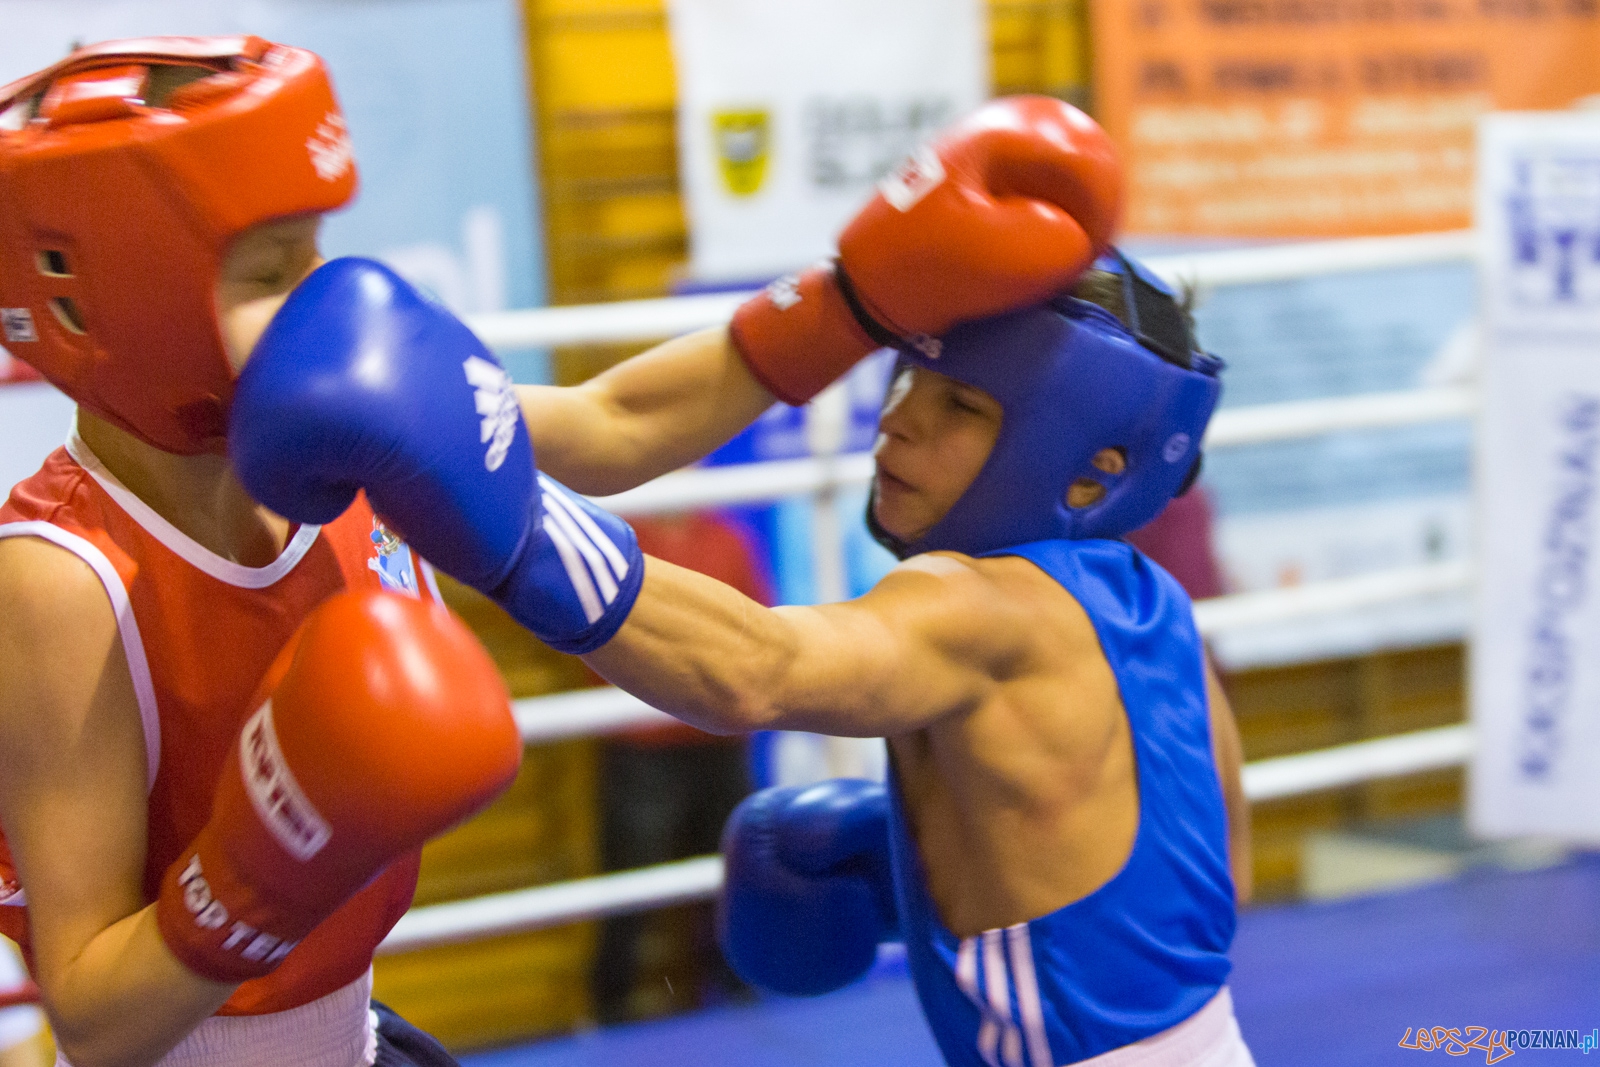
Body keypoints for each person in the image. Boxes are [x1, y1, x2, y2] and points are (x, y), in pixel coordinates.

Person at [228, 86, 1254, 1063]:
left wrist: (505, 524)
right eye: (908, 376)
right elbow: (1219, 877)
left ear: (1088, 463)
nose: (900, 418)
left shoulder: (977, 606)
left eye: (961, 407)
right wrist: (953, 863)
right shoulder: (1151, 611)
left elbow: (754, 668)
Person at [0, 38, 522, 1067]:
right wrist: (255, 871)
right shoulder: (60, 580)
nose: (322, 296)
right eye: (274, 268)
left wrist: (834, 316)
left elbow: (617, 422)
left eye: (315, 248)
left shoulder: (344, 440)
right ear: (131, 301)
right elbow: (97, 1023)